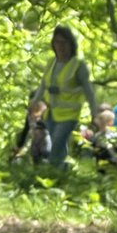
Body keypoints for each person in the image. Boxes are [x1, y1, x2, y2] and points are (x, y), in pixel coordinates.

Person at [29, 25, 97, 167]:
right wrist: (35, 101)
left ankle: (52, 171)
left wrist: (94, 112)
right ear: (53, 44)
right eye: (57, 42)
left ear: (71, 44)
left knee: (57, 142)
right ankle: (63, 170)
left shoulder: (78, 65)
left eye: (64, 42)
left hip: (70, 113)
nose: (60, 46)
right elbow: (43, 84)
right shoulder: (51, 63)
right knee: (57, 144)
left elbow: (88, 90)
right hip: (51, 113)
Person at [12, 98, 51, 163]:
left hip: (45, 140)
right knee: (35, 157)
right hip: (35, 140)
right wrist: (19, 146)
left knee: (45, 154)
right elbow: (25, 130)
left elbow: (51, 128)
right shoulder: (29, 117)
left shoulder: (45, 116)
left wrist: (40, 122)